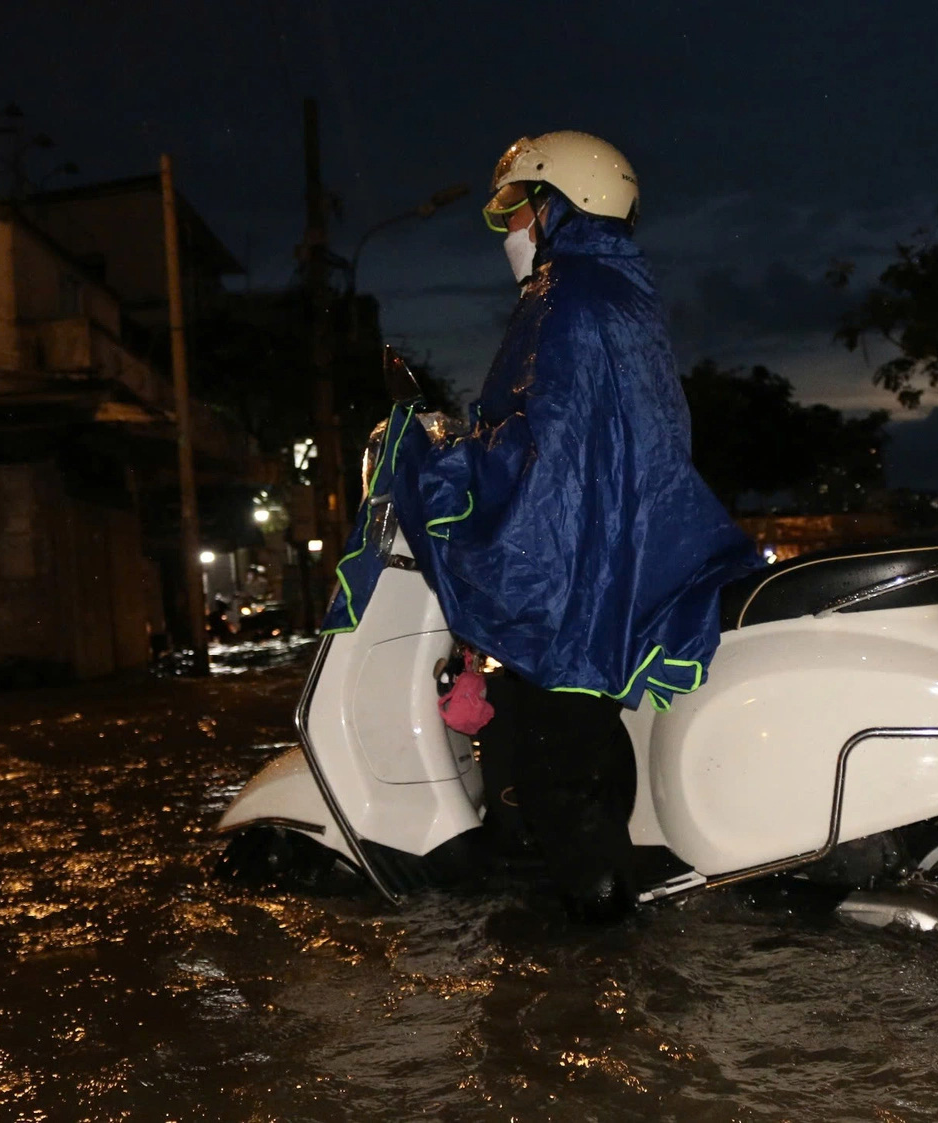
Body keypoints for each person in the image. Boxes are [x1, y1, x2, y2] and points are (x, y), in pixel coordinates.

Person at [392, 131, 759, 921]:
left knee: (564, 779)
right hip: (607, 560)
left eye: (517, 209)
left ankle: (599, 977)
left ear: (558, 205)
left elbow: (540, 450)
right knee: (540, 749)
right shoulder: (615, 293)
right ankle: (577, 943)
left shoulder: (568, 299)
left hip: (574, 579)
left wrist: (435, 462)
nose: (511, 232)